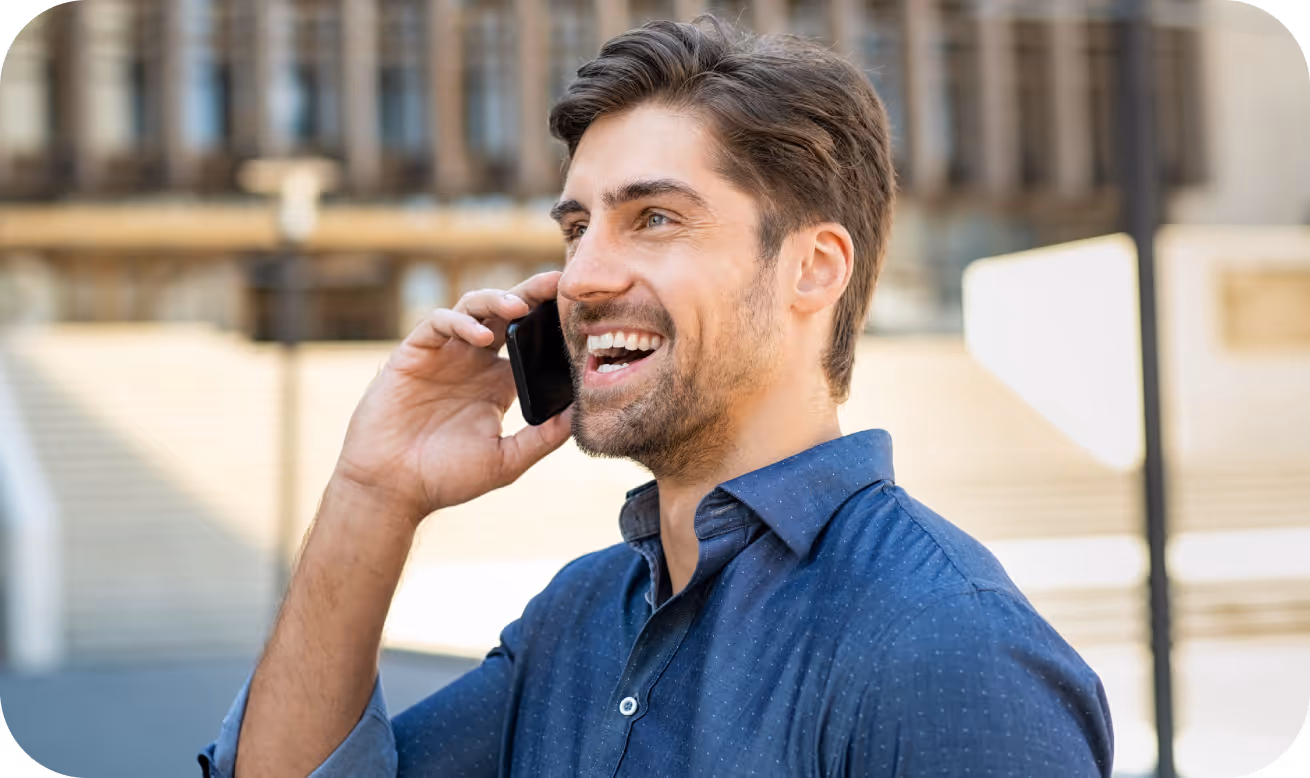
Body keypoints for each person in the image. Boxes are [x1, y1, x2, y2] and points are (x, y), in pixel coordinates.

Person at [201, 16, 1112, 778]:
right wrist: (375, 493)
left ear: (811, 269)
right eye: (576, 227)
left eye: (656, 219)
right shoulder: (577, 619)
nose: (583, 278)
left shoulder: (949, 650)